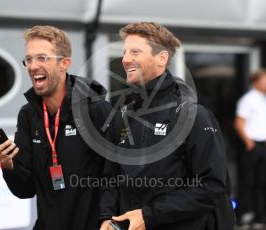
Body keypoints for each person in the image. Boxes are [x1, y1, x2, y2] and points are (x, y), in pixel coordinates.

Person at [99, 22, 234, 230]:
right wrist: (107, 217)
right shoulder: (121, 116)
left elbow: (213, 186)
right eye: (124, 51)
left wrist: (149, 215)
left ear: (161, 58)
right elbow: (111, 178)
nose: (125, 59)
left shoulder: (193, 114)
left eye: (135, 51)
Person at [0, 25, 111, 230]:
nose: (33, 66)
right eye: (29, 59)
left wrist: (109, 219)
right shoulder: (28, 115)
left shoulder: (95, 110)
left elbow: (116, 176)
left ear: (64, 64)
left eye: (42, 58)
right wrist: (9, 165)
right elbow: (25, 189)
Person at [234, 69, 266, 228]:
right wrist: (248, 141)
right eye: (265, 82)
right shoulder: (247, 99)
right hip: (252, 145)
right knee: (248, 181)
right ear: (255, 82)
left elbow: (264, 122)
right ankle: (242, 215)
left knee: (262, 181)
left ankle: (259, 215)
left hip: (264, 144)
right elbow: (238, 123)